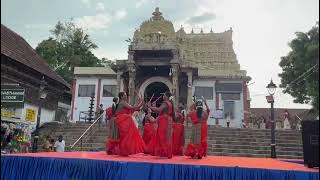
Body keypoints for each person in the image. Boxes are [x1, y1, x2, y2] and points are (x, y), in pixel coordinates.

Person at [114, 92, 145, 156]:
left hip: (124, 120)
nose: (126, 95)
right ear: (122, 97)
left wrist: (139, 103)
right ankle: (123, 150)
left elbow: (133, 108)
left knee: (126, 136)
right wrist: (140, 103)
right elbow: (132, 108)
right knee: (125, 136)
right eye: (125, 95)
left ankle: (125, 150)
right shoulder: (123, 102)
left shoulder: (124, 103)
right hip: (122, 120)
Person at [146, 91, 175, 159]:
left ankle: (164, 153)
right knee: (167, 137)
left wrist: (150, 106)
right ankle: (167, 153)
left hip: (164, 121)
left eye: (164, 95)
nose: (163, 96)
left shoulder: (165, 103)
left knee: (162, 136)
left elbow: (159, 110)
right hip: (168, 120)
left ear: (167, 97)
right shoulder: (170, 103)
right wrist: (154, 106)